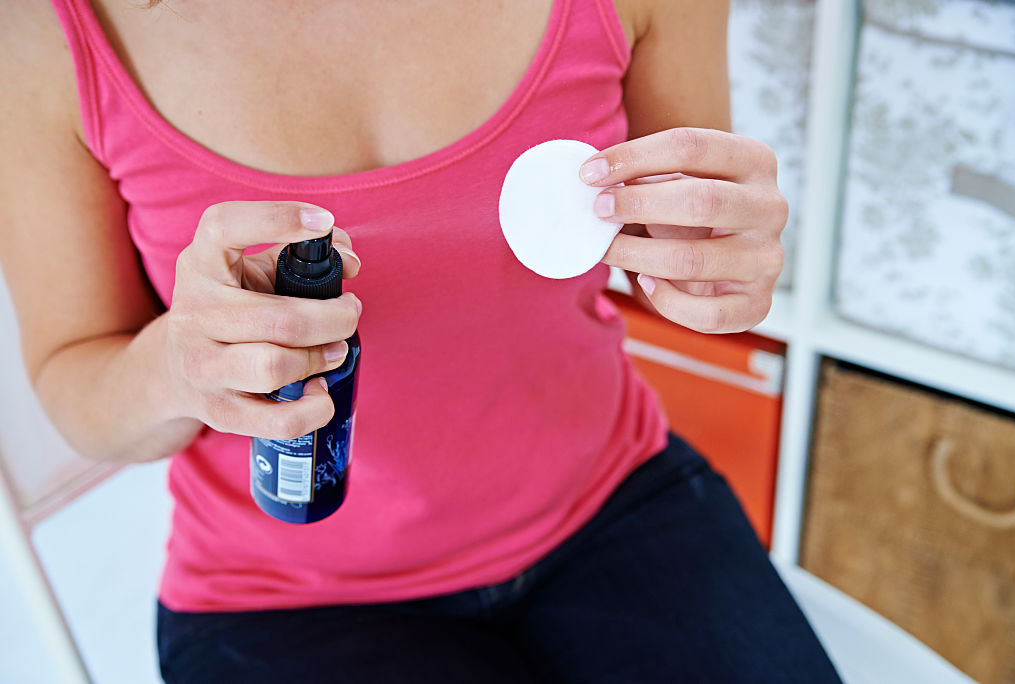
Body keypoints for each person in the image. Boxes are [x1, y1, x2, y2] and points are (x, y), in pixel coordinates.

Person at [0, 0, 841, 681]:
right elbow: (76, 384)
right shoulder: (41, 34)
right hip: (281, 601)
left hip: (614, 504)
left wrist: (727, 264)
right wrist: (177, 371)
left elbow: (696, 253)